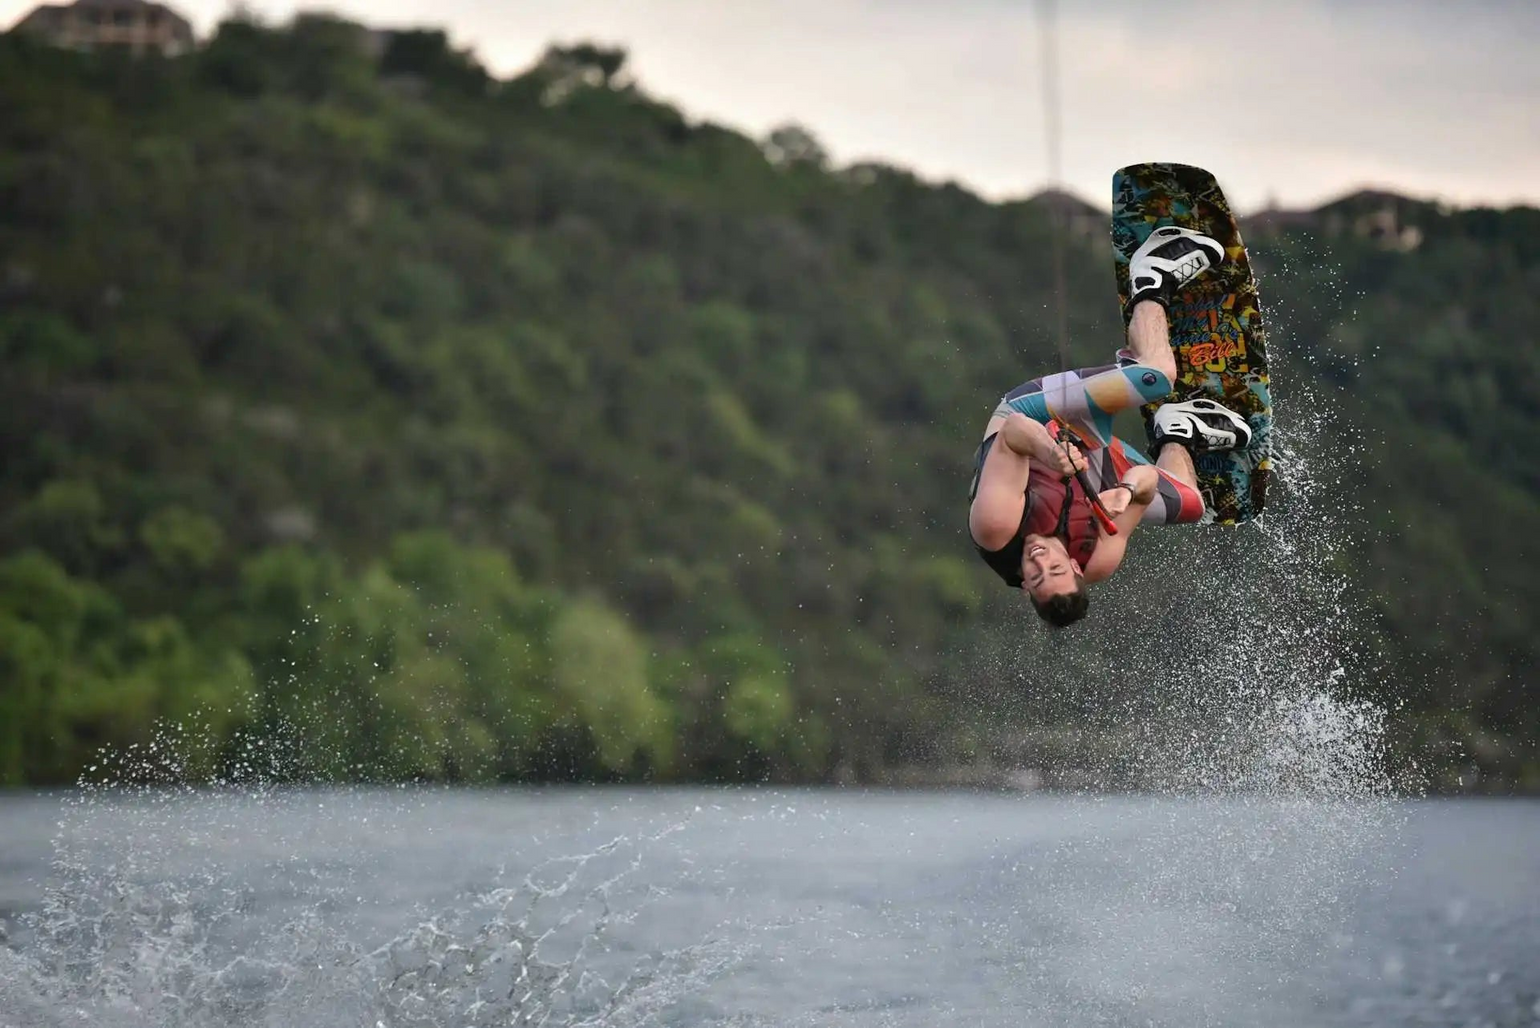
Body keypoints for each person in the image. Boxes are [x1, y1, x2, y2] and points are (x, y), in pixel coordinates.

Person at [966, 227, 1254, 627]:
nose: (1039, 563)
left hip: (1036, 418)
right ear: (1075, 567)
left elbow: (1014, 432)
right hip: (1090, 460)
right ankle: (1177, 428)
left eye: (1036, 576)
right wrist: (1126, 492)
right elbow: (1148, 482)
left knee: (1157, 376)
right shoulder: (1098, 558)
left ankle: (1151, 278)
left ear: (1026, 587)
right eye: (1054, 570)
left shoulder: (996, 527)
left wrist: (1051, 452)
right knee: (1194, 505)